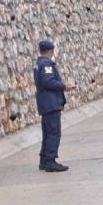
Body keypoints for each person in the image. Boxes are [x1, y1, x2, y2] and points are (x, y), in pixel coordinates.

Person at [33, 39, 72, 172]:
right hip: (50, 103)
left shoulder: (39, 63)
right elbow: (48, 81)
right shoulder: (46, 64)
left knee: (47, 133)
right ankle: (50, 161)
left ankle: (44, 160)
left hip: (45, 103)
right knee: (53, 132)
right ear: (51, 50)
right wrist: (64, 86)